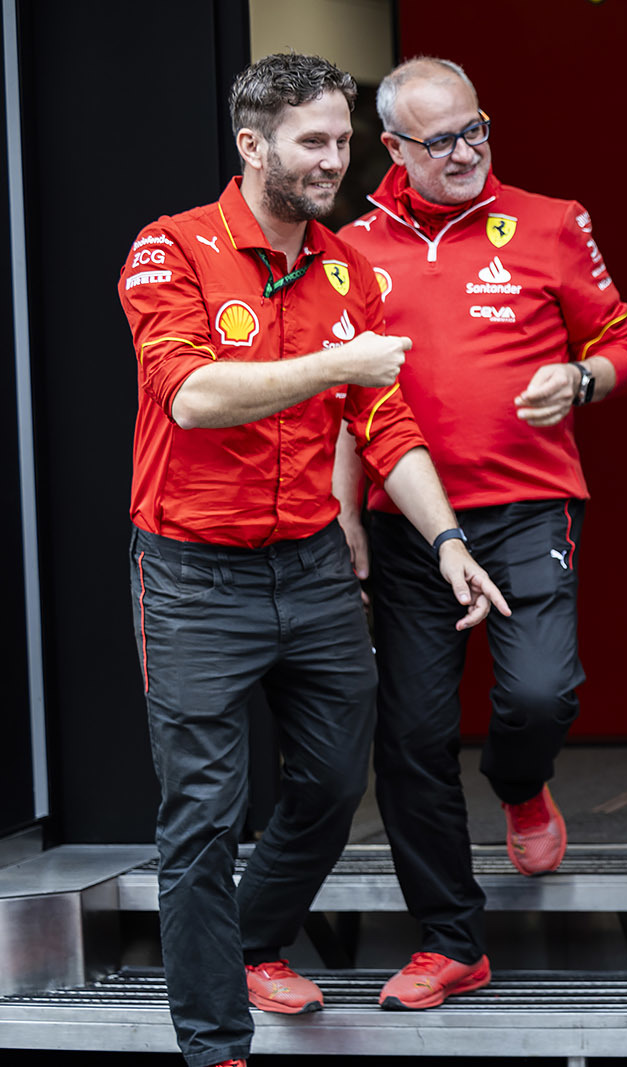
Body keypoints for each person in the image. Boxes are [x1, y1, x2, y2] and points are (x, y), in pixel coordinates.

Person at [117, 53, 509, 1067]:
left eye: (344, 140)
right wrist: (337, 363)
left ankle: (252, 938)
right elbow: (192, 396)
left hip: (311, 567)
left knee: (336, 781)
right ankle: (216, 1045)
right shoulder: (171, 248)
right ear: (253, 145)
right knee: (202, 817)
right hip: (194, 577)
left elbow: (386, 423)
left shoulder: (348, 271)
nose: (336, 160)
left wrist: (448, 539)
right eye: (313, 142)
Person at [334, 57, 627, 1009]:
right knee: (412, 736)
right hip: (403, 522)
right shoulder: (349, 248)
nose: (467, 152)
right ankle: (451, 941)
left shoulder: (552, 221)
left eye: (477, 129)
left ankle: (519, 783)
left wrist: (582, 379)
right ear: (394, 149)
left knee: (540, 694)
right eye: (441, 141)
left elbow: (624, 345)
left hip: (527, 506)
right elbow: (344, 396)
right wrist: (344, 515)